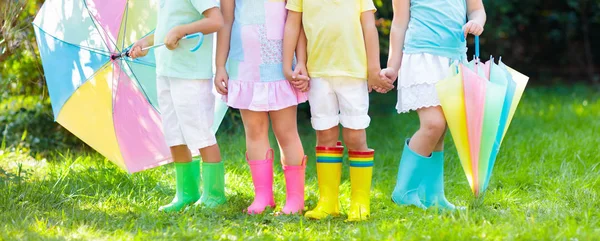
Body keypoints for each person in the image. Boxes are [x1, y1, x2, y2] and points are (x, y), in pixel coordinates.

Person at [284, 0, 394, 221]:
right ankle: (328, 202)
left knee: (355, 135)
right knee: (324, 135)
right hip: (318, 74)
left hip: (353, 74)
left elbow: (369, 28)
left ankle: (360, 202)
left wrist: (373, 68)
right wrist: (295, 63)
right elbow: (294, 26)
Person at [380, 0, 486, 211]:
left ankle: (433, 197)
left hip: (453, 58)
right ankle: (404, 192)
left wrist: (476, 22)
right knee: (433, 124)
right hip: (422, 57)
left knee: (441, 128)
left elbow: (477, 9)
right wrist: (393, 66)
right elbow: (399, 23)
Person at [214, 0, 309, 215]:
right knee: (254, 130)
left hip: (280, 66)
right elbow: (226, 21)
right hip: (245, 66)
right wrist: (220, 65)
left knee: (286, 132)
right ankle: (263, 196)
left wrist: (301, 60)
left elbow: (296, 17)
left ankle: (295, 198)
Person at [129, 0, 225, 212]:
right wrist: (147, 41)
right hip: (166, 72)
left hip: (190, 74)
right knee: (174, 134)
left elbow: (216, 20)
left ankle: (215, 194)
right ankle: (186, 193)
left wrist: (182, 31)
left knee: (200, 132)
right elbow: (169, 27)